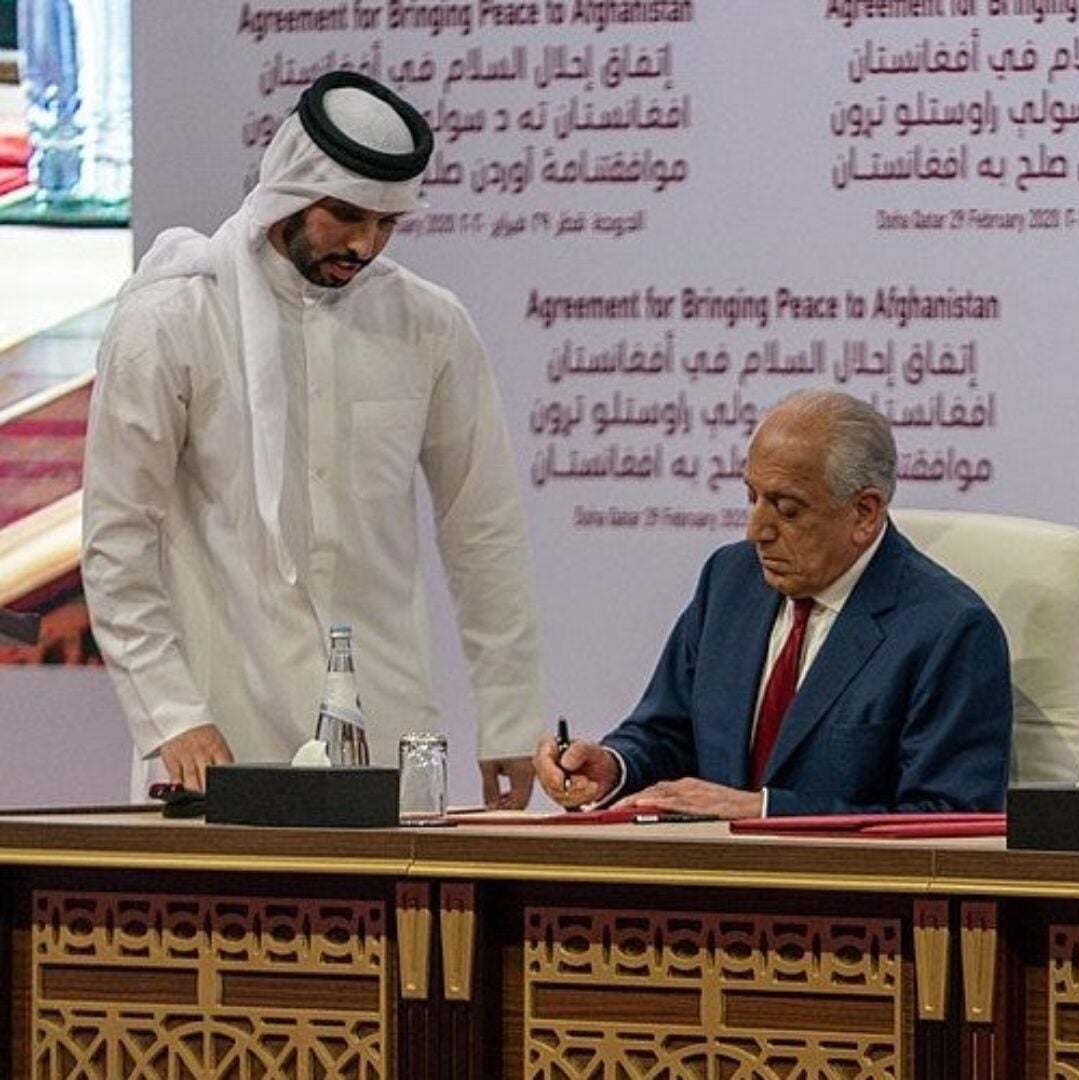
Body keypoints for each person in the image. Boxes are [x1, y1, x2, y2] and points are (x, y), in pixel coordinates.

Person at [82, 71, 544, 805]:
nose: (364, 244)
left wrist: (509, 717)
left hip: (385, 726)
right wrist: (171, 713)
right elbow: (117, 540)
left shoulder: (430, 324)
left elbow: (482, 528)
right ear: (289, 193)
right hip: (216, 725)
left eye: (387, 223)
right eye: (346, 215)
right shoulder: (172, 321)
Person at [533, 388, 1012, 819]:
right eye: (752, 497)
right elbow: (667, 734)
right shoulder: (730, 581)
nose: (756, 531)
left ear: (864, 513)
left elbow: (949, 817)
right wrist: (613, 767)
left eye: (787, 509)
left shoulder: (949, 630)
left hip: (843, 889)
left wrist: (766, 810)